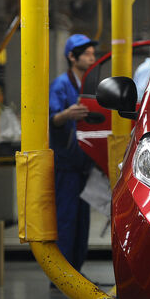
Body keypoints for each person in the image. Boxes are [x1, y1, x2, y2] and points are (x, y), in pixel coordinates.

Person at [49, 34, 97, 274]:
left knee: (81, 221)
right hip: (66, 165)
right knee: (66, 219)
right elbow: (52, 119)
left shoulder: (89, 83)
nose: (92, 57)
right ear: (71, 57)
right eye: (87, 54)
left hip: (84, 164)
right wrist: (67, 114)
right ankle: (61, 275)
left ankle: (76, 272)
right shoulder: (60, 84)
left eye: (92, 53)